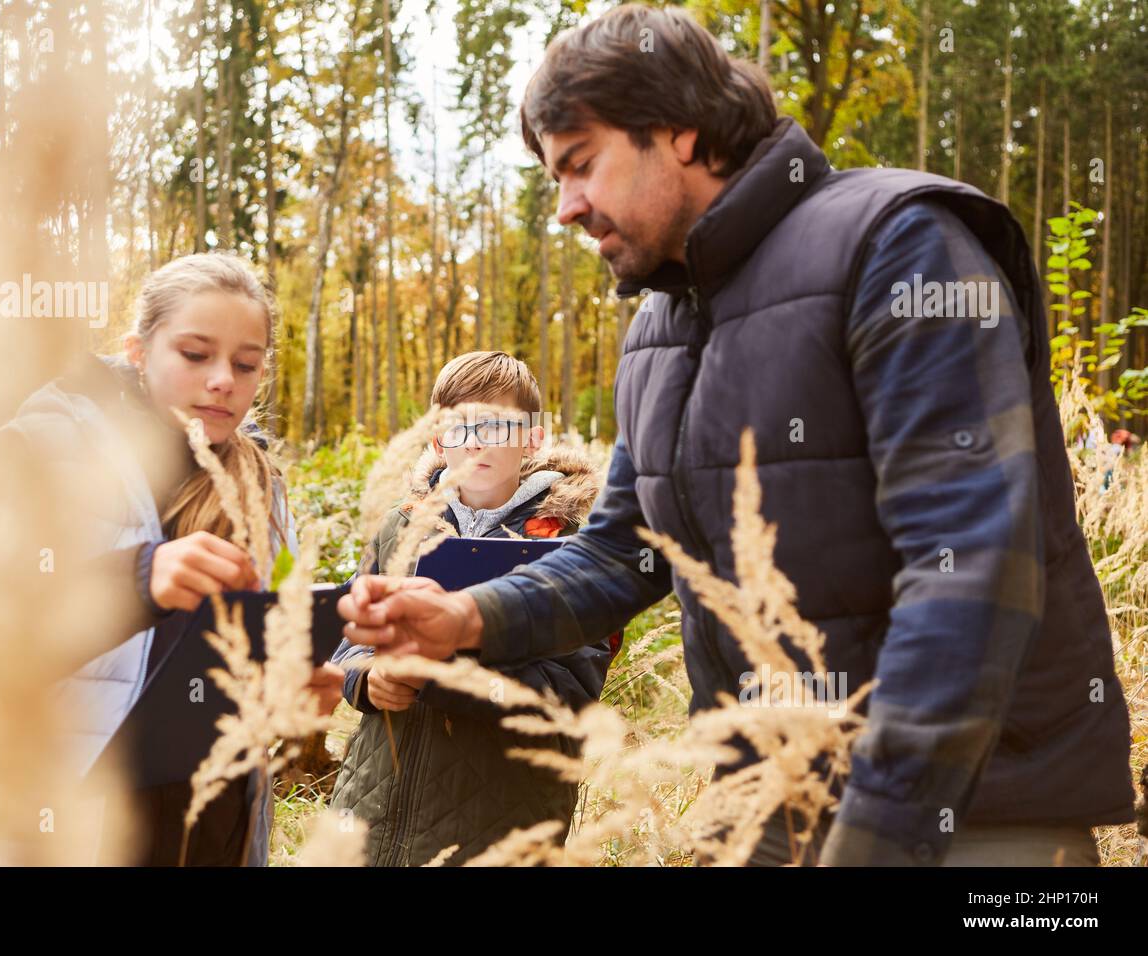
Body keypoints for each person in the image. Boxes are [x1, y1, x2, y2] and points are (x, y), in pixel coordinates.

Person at [339, 5, 1135, 866]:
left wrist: (874, 837)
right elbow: (622, 554)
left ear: (678, 130)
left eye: (580, 165)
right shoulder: (658, 332)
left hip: (973, 820)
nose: (565, 209)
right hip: (767, 812)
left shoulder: (902, 248)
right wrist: (464, 616)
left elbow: (972, 571)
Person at [0, 252, 343, 865]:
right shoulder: (48, 444)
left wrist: (299, 676)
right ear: (138, 350)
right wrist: (138, 578)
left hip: (219, 821)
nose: (222, 380)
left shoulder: (262, 480)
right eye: (194, 354)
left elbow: (277, 614)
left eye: (246, 364)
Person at [330, 351, 615, 866]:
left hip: (498, 825)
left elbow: (570, 690)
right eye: (457, 428)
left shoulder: (571, 548)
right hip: (372, 808)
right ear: (438, 441)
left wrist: (438, 672)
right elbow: (352, 632)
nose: (475, 441)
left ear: (533, 436)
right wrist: (365, 681)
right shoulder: (403, 526)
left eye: (495, 425)